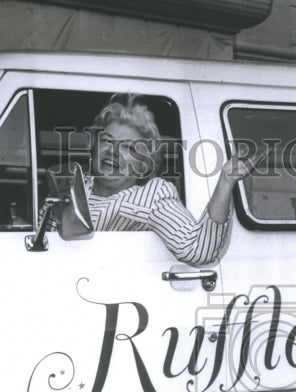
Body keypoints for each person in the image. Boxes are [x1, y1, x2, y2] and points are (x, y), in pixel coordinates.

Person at [86, 96, 251, 266]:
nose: (113, 151)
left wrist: (225, 182)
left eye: (128, 147)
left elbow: (198, 249)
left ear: (143, 166)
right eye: (106, 140)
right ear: (94, 145)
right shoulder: (73, 186)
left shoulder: (151, 196)